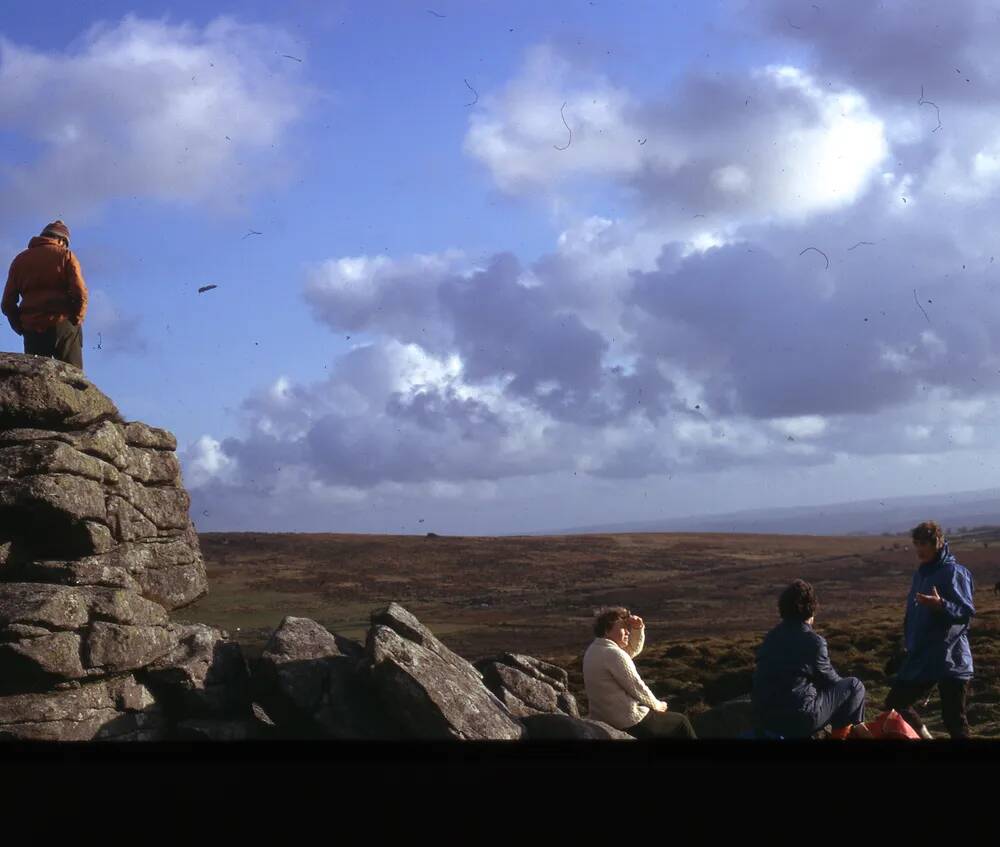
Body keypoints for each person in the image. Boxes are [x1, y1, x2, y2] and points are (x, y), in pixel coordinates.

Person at [885, 520, 975, 739]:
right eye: (916, 543)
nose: (919, 548)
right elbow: (913, 616)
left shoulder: (954, 572)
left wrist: (941, 605)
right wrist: (905, 646)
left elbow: (965, 611)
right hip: (922, 657)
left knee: (954, 720)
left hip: (949, 658)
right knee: (895, 705)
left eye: (924, 543)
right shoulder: (920, 575)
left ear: (938, 542)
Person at [752, 579, 865, 739]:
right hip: (798, 720)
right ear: (811, 609)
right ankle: (842, 736)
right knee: (854, 686)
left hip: (764, 718)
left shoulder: (770, 637)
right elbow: (831, 681)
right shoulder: (813, 641)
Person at [582, 606, 696, 739]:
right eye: (623, 628)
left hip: (603, 717)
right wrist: (657, 705)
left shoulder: (595, 649)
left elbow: (630, 651)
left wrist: (637, 629)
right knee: (681, 722)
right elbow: (636, 686)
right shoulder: (613, 653)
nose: (628, 633)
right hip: (625, 720)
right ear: (607, 631)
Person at [2, 220, 88, 369]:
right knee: (74, 378)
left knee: (36, 378)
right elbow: (80, 294)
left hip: (32, 329)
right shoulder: (66, 256)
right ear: (61, 240)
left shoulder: (19, 260)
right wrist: (77, 318)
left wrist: (21, 327)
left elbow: (7, 303)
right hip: (62, 324)